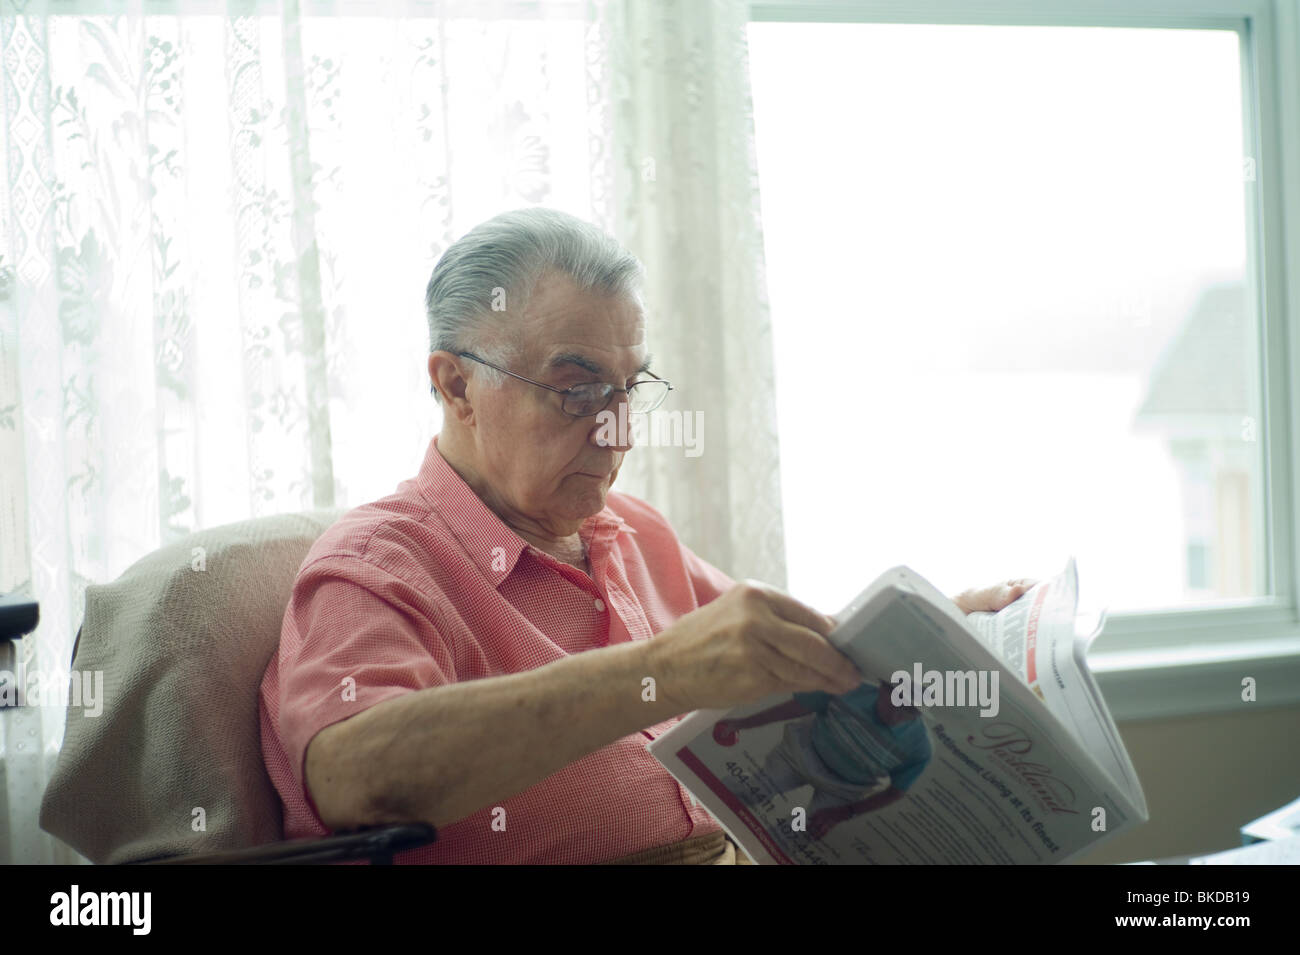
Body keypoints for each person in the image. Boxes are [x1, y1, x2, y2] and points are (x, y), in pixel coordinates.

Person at [257, 206, 1035, 864]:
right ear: (457, 383)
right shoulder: (379, 565)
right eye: (576, 389)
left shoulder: (631, 531)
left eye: (630, 388)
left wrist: (934, 635)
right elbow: (356, 774)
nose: (618, 429)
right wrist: (660, 671)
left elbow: (787, 658)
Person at [713, 676, 931, 843]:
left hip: (844, 788)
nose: (896, 716)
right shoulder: (850, 689)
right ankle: (704, 813)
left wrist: (845, 813)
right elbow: (795, 707)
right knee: (751, 788)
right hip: (803, 752)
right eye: (895, 701)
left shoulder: (920, 747)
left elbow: (895, 793)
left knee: (799, 834)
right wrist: (742, 723)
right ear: (883, 688)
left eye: (909, 711)